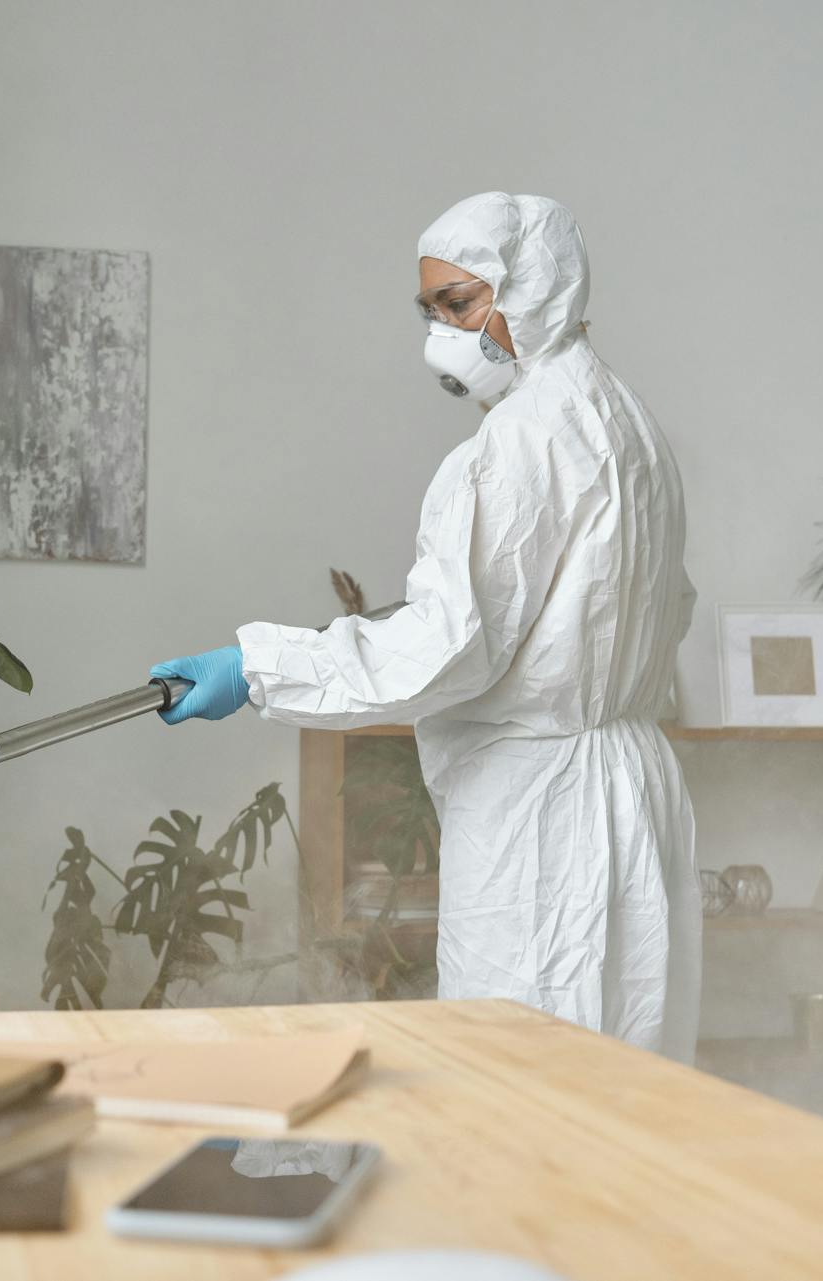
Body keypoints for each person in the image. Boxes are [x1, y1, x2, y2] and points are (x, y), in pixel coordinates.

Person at [152, 192, 700, 1059]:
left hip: (541, 813)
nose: (442, 335)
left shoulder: (518, 442)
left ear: (537, 290)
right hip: (633, 790)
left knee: (521, 1082)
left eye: (460, 304)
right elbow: (665, 605)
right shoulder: (632, 424)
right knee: (627, 1076)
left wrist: (257, 665)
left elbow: (445, 648)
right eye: (431, 310)